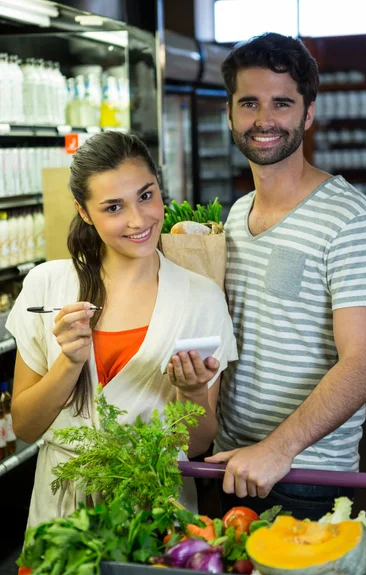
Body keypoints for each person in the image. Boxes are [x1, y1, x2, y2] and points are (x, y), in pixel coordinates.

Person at [6, 130, 237, 531]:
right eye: (113, 207)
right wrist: (69, 363)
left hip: (157, 512)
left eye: (146, 196)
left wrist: (193, 391)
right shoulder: (48, 285)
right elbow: (25, 426)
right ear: (83, 211)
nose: (138, 219)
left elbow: (196, 444)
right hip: (64, 518)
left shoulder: (202, 298)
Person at [205, 32, 366, 520]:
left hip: (305, 476)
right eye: (248, 103)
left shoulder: (353, 220)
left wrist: (278, 449)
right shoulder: (237, 214)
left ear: (307, 114)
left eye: (282, 103)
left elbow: (365, 366)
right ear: (229, 113)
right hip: (228, 464)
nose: (264, 120)